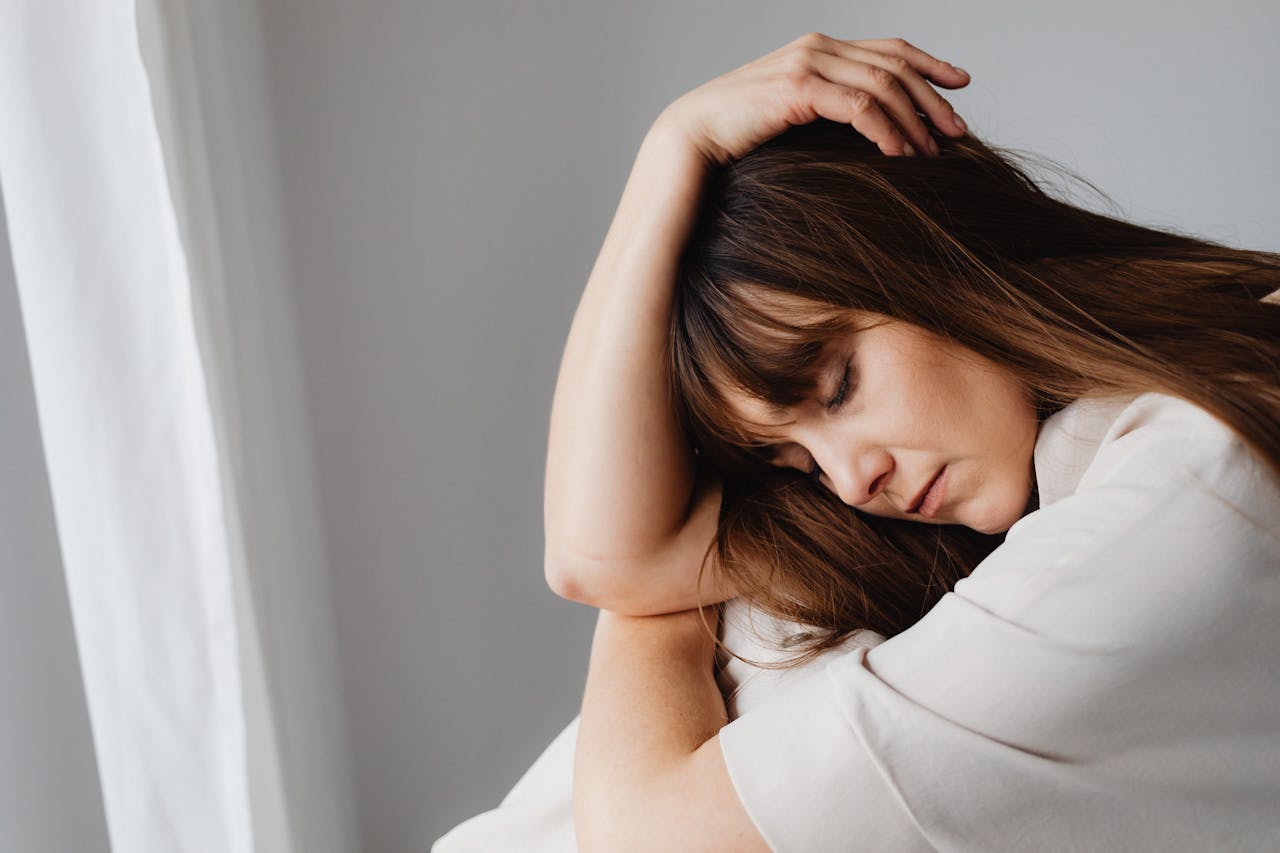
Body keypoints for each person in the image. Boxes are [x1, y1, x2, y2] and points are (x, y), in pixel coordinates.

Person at [435, 33, 1280, 852]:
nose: (849, 481)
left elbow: (652, 827)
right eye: (794, 462)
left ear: (940, 251)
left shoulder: (1180, 500)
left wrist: (662, 598)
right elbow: (594, 557)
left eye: (839, 385)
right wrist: (672, 148)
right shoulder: (1059, 457)